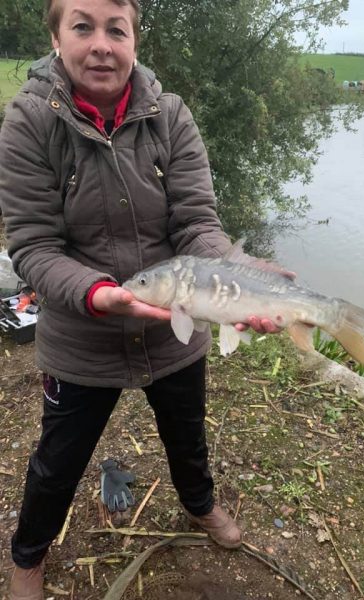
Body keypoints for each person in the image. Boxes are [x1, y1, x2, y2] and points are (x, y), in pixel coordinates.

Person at [0, 1, 280, 597]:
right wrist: (97, 294)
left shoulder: (171, 117)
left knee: (188, 433)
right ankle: (28, 554)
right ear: (55, 38)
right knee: (59, 459)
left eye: (116, 29)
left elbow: (198, 225)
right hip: (82, 337)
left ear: (134, 40)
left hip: (175, 329)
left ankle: (200, 504)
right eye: (82, 26)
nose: (101, 44)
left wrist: (241, 272)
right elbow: (33, 246)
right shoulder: (28, 123)